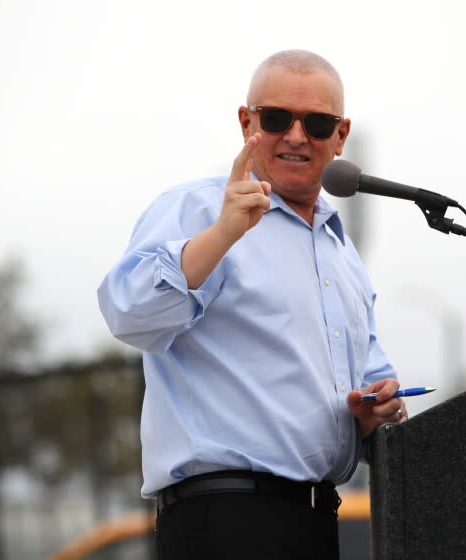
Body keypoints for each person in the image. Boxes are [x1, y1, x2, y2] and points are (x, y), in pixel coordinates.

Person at [98, 49, 406, 559]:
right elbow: (128, 315)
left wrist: (378, 407)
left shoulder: (340, 250)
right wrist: (222, 235)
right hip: (225, 520)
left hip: (317, 518)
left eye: (317, 122)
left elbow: (370, 370)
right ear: (247, 121)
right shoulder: (198, 207)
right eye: (277, 118)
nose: (296, 135)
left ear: (341, 135)